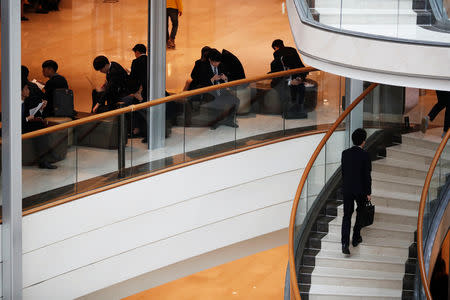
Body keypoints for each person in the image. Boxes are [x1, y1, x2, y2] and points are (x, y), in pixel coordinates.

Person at [341, 128, 372, 255]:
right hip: (360, 190)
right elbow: (367, 176)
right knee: (360, 212)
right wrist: (368, 192)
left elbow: (344, 173)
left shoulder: (345, 153)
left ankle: (344, 243)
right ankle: (355, 238)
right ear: (363, 141)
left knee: (346, 216)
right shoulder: (365, 155)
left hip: (347, 189)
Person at [195, 48, 240, 129]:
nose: (217, 64)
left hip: (221, 91)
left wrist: (225, 78)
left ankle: (229, 120)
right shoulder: (203, 66)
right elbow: (201, 83)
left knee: (236, 100)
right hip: (209, 92)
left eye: (218, 62)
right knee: (216, 101)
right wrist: (212, 80)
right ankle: (215, 122)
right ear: (210, 60)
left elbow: (228, 80)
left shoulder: (221, 65)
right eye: (215, 62)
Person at [21, 80, 57, 169]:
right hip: (20, 127)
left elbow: (29, 115)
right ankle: (44, 159)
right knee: (40, 130)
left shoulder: (24, 102)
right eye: (26, 89)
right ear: (21, 91)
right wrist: (27, 118)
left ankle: (47, 156)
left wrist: (40, 109)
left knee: (41, 127)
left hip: (25, 124)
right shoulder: (15, 104)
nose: (28, 91)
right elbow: (16, 121)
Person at [270, 39, 308, 119]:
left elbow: (301, 70)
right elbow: (276, 81)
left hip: (290, 79)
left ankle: (294, 109)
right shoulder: (291, 51)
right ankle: (295, 109)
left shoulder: (279, 55)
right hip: (289, 80)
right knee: (295, 89)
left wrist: (298, 79)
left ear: (276, 47)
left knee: (298, 88)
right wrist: (294, 81)